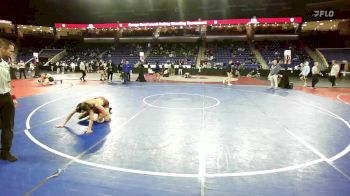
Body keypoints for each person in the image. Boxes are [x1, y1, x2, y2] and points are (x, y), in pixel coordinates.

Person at [0, 38, 18, 162]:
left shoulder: (5, 63)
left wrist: (13, 98)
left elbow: (8, 83)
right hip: (4, 97)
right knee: (7, 127)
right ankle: (5, 153)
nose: (11, 54)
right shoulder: (4, 64)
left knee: (7, 127)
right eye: (10, 51)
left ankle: (5, 152)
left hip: (6, 97)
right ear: (2, 49)